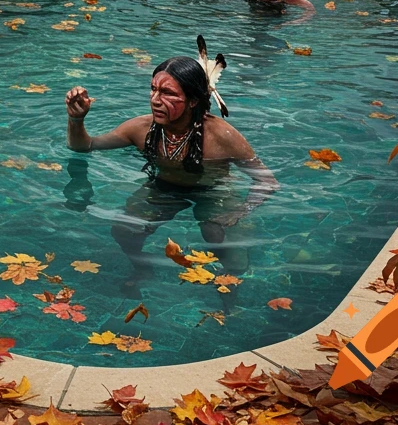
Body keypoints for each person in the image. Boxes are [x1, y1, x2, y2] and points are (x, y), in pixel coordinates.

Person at [64, 43, 279, 285]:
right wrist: (76, 119)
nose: (155, 100)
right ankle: (143, 268)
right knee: (124, 229)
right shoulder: (141, 128)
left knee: (219, 237)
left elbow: (267, 181)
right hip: (164, 186)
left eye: (168, 93)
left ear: (193, 101)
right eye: (153, 89)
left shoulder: (221, 136)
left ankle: (229, 286)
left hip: (212, 190)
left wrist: (239, 212)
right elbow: (85, 146)